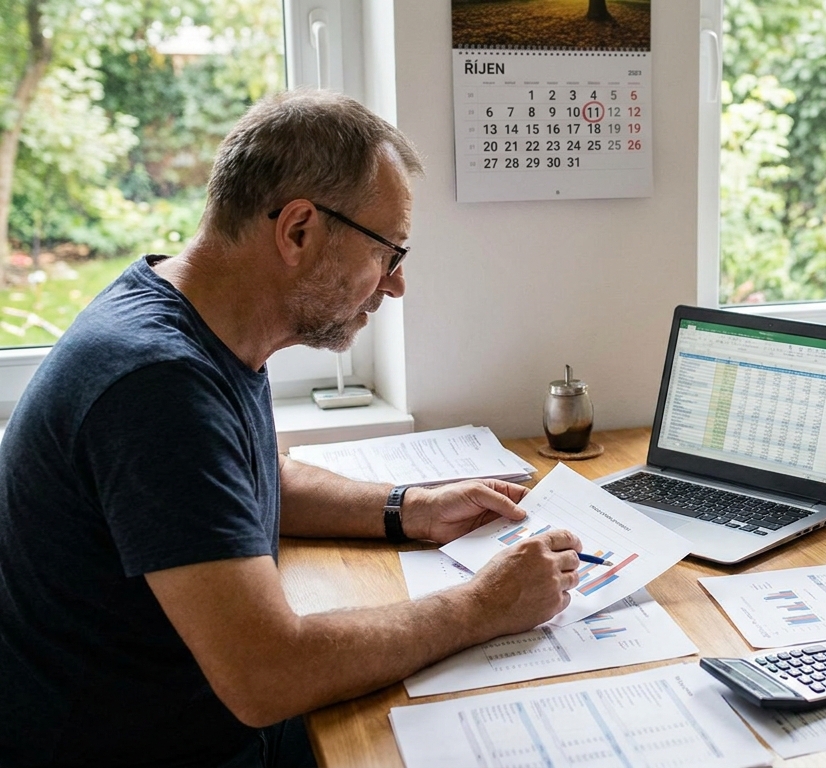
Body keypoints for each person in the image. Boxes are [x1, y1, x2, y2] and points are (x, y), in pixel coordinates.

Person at [0, 90, 584, 768]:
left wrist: (407, 509)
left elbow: (250, 479)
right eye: (388, 252)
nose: (395, 286)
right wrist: (484, 605)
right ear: (299, 230)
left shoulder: (187, 317)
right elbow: (267, 674)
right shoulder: (156, 385)